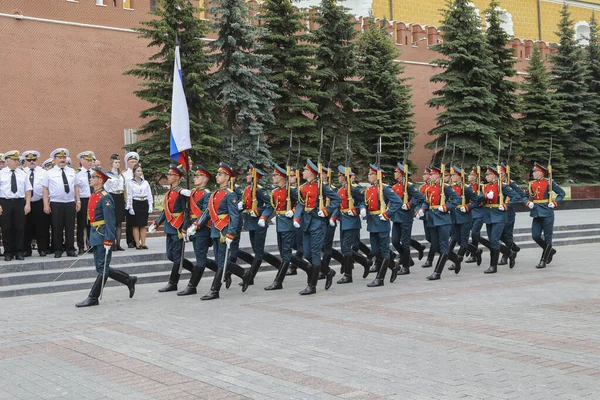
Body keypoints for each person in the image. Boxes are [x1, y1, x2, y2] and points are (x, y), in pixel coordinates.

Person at [76, 168, 137, 307]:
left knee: (102, 267)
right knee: (101, 267)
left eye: (93, 177)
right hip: (95, 234)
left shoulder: (105, 197)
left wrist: (109, 239)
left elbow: (110, 220)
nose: (90, 179)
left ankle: (93, 297)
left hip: (103, 234)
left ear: (100, 180)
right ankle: (128, 280)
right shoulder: (94, 195)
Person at [196, 162, 250, 300]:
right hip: (215, 230)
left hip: (224, 231)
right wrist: (196, 225)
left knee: (221, 261)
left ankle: (215, 290)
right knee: (220, 260)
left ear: (227, 177)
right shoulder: (214, 194)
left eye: (220, 174)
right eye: (217, 174)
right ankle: (244, 274)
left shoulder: (229, 194)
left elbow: (234, 215)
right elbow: (207, 213)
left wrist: (231, 233)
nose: (217, 176)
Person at [293, 159, 341, 295]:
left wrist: (326, 210)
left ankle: (311, 286)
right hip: (306, 222)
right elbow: (301, 203)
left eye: (305, 170)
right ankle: (328, 271)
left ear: (312, 173)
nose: (303, 172)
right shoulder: (302, 187)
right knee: (306, 253)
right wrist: (297, 217)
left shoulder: (321, 187)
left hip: (317, 222)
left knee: (314, 253)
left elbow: (337, 199)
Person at [149, 164, 197, 293]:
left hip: (178, 227)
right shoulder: (170, 192)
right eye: (168, 174)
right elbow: (166, 211)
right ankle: (193, 269)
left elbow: (186, 211)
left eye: (171, 175)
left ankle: (173, 282)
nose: (168, 176)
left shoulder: (181, 192)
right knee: (170, 255)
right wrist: (156, 223)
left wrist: (185, 228)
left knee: (176, 257)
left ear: (178, 177)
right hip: (170, 226)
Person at [181, 164, 220, 295]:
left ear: (205, 179)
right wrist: (185, 228)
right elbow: (187, 211)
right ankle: (225, 271)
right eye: (195, 175)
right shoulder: (192, 193)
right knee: (200, 257)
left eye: (198, 176)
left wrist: (196, 225)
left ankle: (192, 286)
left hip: (202, 229)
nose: (195, 178)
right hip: (192, 227)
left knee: (201, 260)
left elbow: (205, 213)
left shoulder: (207, 194)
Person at [363, 164, 402, 287]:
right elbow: (367, 203)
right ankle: (393, 266)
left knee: (384, 250)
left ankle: (380, 278)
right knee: (375, 250)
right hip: (373, 222)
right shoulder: (369, 189)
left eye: (371, 174)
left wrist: (387, 214)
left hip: (382, 221)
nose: (369, 176)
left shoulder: (385, 189)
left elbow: (398, 202)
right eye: (369, 174)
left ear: (377, 176)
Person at [264, 164, 301, 290]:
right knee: (284, 253)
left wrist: (294, 210)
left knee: (286, 254)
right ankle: (309, 268)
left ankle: (278, 281)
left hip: (289, 225)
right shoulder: (275, 192)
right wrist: (264, 217)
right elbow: (271, 207)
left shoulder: (292, 190)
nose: (273, 177)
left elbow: (301, 202)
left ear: (281, 177)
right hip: (280, 224)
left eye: (275, 175)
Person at [422, 165, 461, 281]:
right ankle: (456, 259)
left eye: (432, 174)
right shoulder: (429, 188)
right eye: (429, 174)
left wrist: (446, 207)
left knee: (443, 246)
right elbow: (426, 202)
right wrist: (422, 209)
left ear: (438, 175)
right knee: (435, 245)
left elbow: (457, 199)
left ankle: (437, 272)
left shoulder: (445, 188)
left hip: (443, 220)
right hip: (432, 220)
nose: (430, 176)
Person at [237, 165, 274, 284]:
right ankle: (278, 264)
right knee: (258, 251)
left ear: (256, 177)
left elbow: (270, 205)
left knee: (258, 252)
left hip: (259, 223)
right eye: (247, 174)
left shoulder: (260, 190)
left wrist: (259, 212)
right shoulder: (248, 189)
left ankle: (249, 277)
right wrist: (241, 206)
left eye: (249, 174)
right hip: (250, 223)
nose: (247, 176)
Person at [480, 166, 520, 274]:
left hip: (499, 216)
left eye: (488, 175)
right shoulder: (485, 187)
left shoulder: (502, 186)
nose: (486, 176)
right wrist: (485, 196)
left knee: (494, 240)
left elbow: (516, 196)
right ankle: (510, 253)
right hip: (488, 216)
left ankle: (493, 266)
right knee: (492, 240)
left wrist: (506, 205)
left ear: (494, 176)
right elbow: (478, 199)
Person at [525, 162, 565, 269]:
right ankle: (550, 251)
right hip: (536, 213)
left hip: (547, 212)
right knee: (535, 236)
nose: (533, 173)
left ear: (541, 173)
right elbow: (524, 196)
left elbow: (561, 193)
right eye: (533, 171)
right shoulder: (531, 184)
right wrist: (529, 203)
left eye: (535, 171)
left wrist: (555, 202)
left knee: (548, 238)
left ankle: (543, 260)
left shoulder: (549, 183)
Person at [42, 148, 81, 258]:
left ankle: (70, 249)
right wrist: (46, 203)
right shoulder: (49, 173)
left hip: (69, 202)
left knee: (70, 227)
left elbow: (76, 187)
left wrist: (78, 201)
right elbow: (45, 189)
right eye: (60, 158)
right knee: (57, 227)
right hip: (56, 203)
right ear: (54, 159)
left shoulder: (72, 171)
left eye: (64, 157)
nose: (62, 160)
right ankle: (58, 249)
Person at [390, 163, 425, 278]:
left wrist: (410, 205)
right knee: (395, 241)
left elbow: (420, 198)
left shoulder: (409, 186)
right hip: (396, 217)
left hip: (405, 217)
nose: (394, 174)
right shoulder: (395, 187)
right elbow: (392, 199)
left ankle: (406, 267)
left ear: (400, 174)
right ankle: (407, 258)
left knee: (405, 243)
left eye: (396, 172)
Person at [332, 165, 365, 284]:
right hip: (343, 221)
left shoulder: (354, 188)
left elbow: (363, 200)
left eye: (340, 176)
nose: (338, 178)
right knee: (344, 247)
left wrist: (358, 209)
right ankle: (365, 262)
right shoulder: (340, 190)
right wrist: (333, 217)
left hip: (352, 221)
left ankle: (348, 275)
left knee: (346, 248)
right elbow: (339, 205)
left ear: (345, 177)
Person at [447, 165, 482, 272]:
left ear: (459, 176)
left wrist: (468, 207)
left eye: (453, 175)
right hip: (454, 216)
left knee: (463, 240)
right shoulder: (450, 188)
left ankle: (457, 260)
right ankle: (476, 252)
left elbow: (477, 200)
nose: (451, 176)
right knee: (457, 239)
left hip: (465, 217)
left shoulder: (466, 188)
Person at [0, 151, 32, 261]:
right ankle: (8, 252)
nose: (17, 162)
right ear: (8, 161)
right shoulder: (1, 173)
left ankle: (19, 252)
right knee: (6, 228)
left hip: (19, 202)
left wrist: (27, 204)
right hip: (5, 202)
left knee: (19, 227)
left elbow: (28, 190)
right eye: (15, 160)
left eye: (17, 160)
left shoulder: (22, 173)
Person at [22, 151, 50, 257]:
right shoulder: (22, 172)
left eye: (33, 160)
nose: (31, 162)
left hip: (39, 202)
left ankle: (42, 249)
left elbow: (46, 188)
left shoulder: (43, 172)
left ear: (36, 160)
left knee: (41, 227)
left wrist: (46, 203)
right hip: (25, 203)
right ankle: (26, 249)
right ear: (26, 161)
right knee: (25, 226)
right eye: (29, 160)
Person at [126, 163, 153, 250]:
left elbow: (149, 194)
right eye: (138, 171)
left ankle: (143, 243)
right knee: (135, 225)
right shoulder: (130, 183)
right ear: (134, 172)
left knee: (143, 225)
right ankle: (137, 243)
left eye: (141, 171)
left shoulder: (145, 182)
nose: (140, 172)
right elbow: (129, 195)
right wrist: (130, 207)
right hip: (135, 202)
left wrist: (150, 205)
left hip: (144, 202)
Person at [105, 154, 127, 251]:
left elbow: (124, 188)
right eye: (116, 162)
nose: (118, 164)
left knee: (119, 222)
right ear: (111, 163)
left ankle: (118, 243)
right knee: (112, 222)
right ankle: (112, 243)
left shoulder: (121, 175)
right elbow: (106, 188)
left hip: (120, 197)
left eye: (119, 162)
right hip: (112, 197)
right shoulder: (108, 175)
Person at [75, 151, 94, 255]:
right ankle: (81, 246)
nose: (89, 162)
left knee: (92, 223)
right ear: (81, 161)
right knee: (82, 224)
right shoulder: (77, 173)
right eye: (87, 160)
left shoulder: (94, 173)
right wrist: (77, 201)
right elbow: (76, 188)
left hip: (93, 200)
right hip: (83, 200)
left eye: (91, 160)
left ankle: (91, 245)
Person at [123, 151, 140, 248]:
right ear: (128, 163)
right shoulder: (125, 174)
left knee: (138, 221)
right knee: (130, 222)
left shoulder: (140, 173)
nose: (134, 163)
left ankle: (137, 240)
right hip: (129, 200)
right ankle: (130, 240)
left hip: (138, 200)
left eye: (135, 161)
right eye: (132, 161)